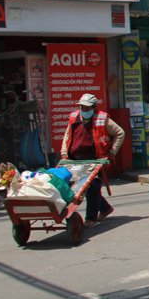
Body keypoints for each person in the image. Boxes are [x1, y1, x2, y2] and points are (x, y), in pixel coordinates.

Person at [60, 93, 125, 228]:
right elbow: (67, 136)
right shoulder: (74, 118)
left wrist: (112, 151)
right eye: (82, 107)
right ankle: (105, 208)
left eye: (87, 108)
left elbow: (120, 133)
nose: (84, 110)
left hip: (95, 160)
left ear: (94, 108)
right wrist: (64, 154)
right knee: (78, 188)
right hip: (74, 160)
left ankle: (91, 218)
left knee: (93, 187)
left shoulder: (102, 119)